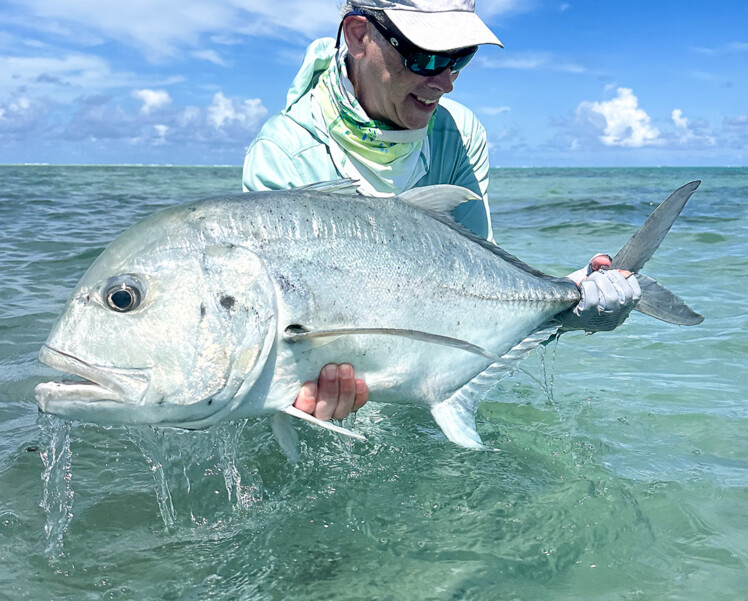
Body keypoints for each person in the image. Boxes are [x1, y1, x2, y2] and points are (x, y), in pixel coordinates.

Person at [242, 0, 641, 423]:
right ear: (360, 36)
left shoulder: (459, 135)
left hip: (427, 400)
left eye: (459, 57)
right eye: (427, 56)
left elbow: (478, 298)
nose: (446, 83)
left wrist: (567, 303)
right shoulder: (283, 155)